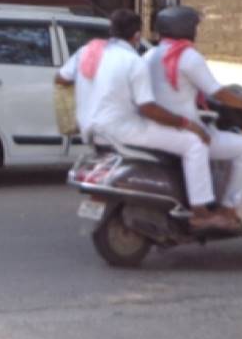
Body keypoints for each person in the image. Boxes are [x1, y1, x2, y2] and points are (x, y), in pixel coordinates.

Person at [141, 6, 242, 230]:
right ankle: (227, 210)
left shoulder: (150, 54)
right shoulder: (188, 57)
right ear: (188, 29)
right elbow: (217, 92)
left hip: (158, 128)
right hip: (185, 129)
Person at [84, 14, 215, 222]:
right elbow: (149, 109)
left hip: (96, 129)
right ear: (137, 36)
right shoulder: (134, 61)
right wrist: (188, 124)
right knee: (195, 143)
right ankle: (201, 211)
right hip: (125, 129)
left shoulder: (99, 56)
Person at [55, 9, 143, 145]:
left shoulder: (88, 50)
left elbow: (61, 78)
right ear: (137, 36)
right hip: (118, 130)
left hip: (87, 127)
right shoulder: (132, 59)